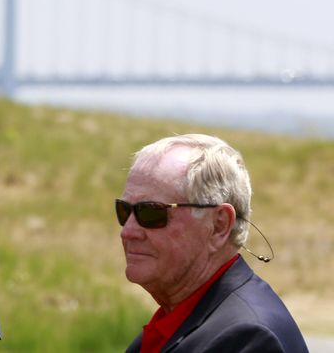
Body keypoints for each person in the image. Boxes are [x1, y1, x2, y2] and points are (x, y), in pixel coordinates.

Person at [117, 134, 307, 352]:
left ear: (219, 225)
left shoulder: (248, 339)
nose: (128, 231)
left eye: (150, 212)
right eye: (124, 211)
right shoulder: (180, 320)